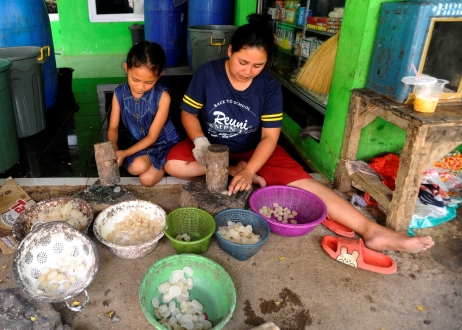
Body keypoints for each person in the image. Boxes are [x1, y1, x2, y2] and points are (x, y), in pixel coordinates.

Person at [165, 14, 434, 254]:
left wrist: (251, 170)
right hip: (213, 147)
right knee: (173, 164)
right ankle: (233, 168)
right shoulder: (207, 74)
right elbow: (188, 113)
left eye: (257, 66)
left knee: (305, 185)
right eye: (242, 62)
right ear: (230, 50)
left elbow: (270, 138)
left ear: (266, 62)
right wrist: (202, 144)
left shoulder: (268, 86)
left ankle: (370, 230)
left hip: (253, 148)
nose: (248, 71)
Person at [108, 41, 181, 187]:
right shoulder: (118, 94)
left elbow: (153, 136)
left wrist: (126, 153)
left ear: (159, 75)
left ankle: (167, 162)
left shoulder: (163, 97)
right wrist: (115, 148)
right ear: (126, 68)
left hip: (164, 143)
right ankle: (161, 164)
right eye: (135, 79)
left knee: (146, 180)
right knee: (136, 168)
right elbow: (113, 128)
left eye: (149, 82)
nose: (140, 87)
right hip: (140, 144)